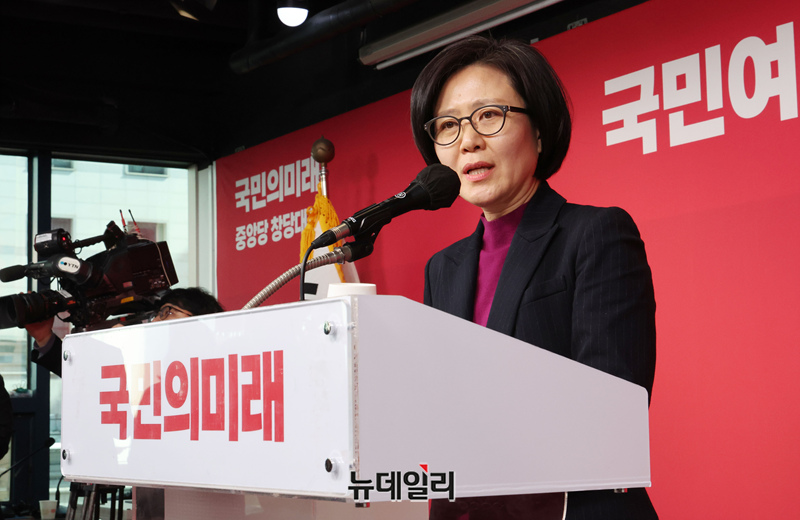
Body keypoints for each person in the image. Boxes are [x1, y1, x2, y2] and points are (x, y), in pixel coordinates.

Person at [411, 36, 657, 519]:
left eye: (488, 115)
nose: (468, 141)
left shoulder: (595, 235)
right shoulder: (443, 269)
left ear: (539, 132)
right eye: (448, 125)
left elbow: (611, 408)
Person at [27, 287, 224, 377]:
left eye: (168, 312)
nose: (156, 320)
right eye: (157, 313)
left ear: (201, 324)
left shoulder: (219, 375)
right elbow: (88, 376)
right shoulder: (144, 363)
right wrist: (44, 337)